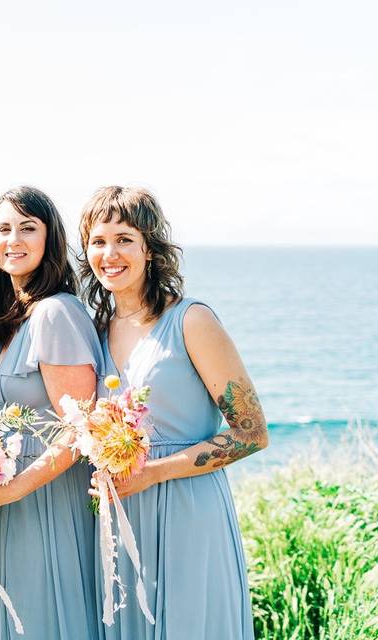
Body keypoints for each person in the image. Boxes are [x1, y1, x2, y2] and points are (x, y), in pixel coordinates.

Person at [80, 186, 266, 639]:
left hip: (188, 508)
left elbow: (252, 433)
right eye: (98, 241)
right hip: (123, 513)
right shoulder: (94, 332)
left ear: (149, 247)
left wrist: (154, 472)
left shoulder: (191, 320)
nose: (110, 253)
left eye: (124, 238)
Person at [0, 185, 102, 640]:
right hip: (7, 500)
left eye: (27, 228)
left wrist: (11, 491)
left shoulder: (56, 313)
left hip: (45, 501)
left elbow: (80, 432)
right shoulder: (12, 315)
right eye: (3, 229)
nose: (13, 239)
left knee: (45, 619)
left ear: (49, 239)